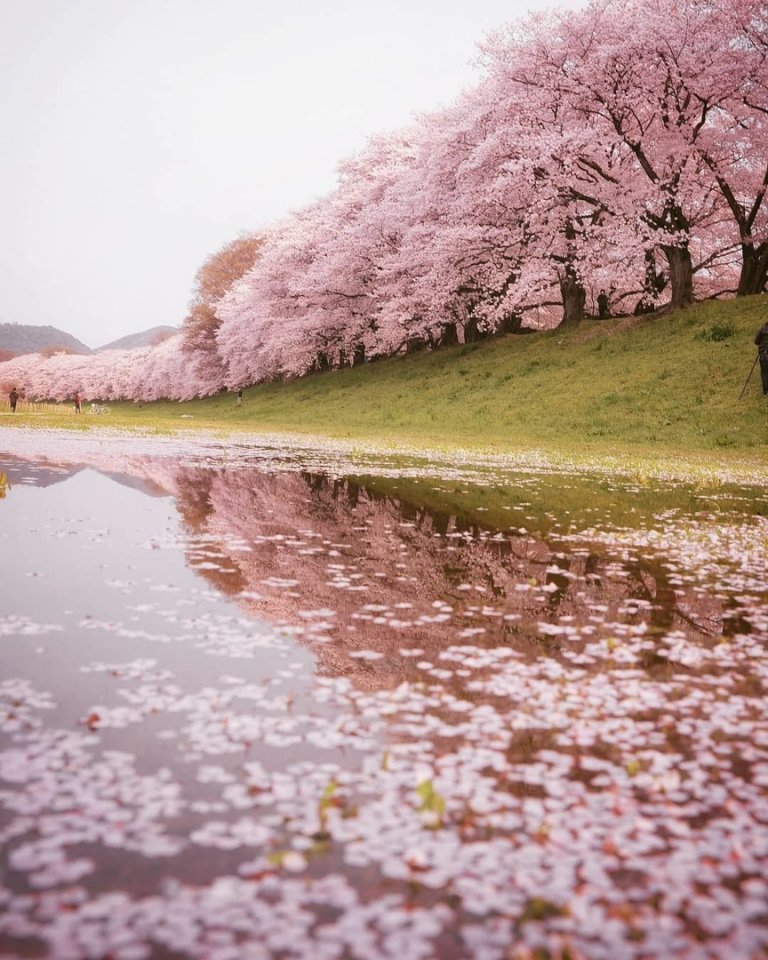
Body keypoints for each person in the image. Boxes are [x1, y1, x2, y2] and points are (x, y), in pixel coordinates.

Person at [755, 321, 768, 395]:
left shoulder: (761, 329)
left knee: (764, 373)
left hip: (763, 354)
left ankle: (765, 391)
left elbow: (756, 341)